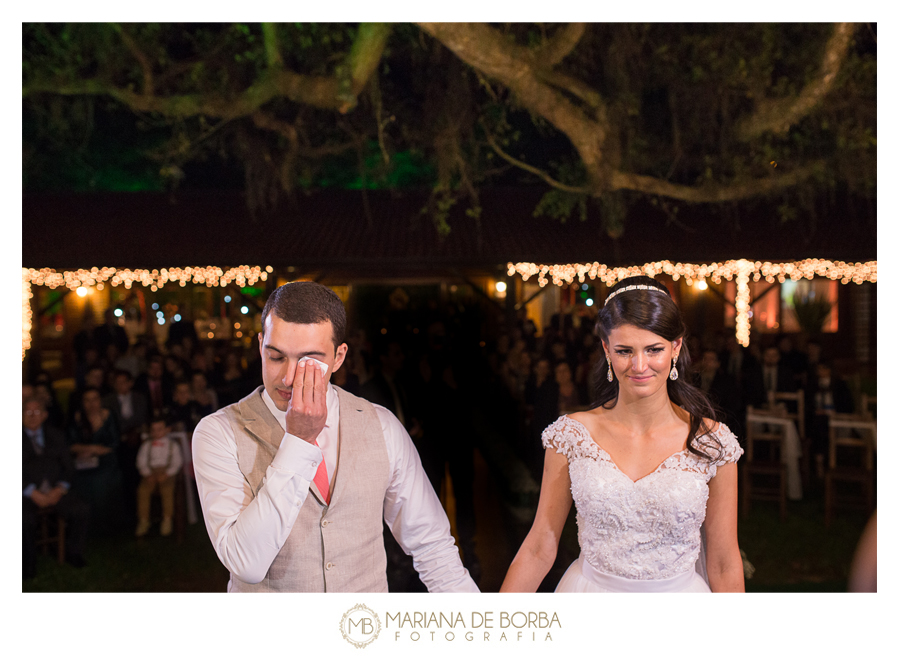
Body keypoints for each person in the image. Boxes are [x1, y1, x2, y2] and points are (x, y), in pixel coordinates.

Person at [192, 281, 478, 593]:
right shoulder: (218, 432)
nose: (288, 377)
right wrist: (298, 443)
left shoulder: (380, 424)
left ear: (338, 357)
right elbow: (246, 563)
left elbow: (432, 546)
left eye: (308, 360)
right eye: (276, 357)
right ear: (261, 345)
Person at [501, 276, 745, 593]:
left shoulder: (713, 442)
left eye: (654, 349)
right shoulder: (572, 436)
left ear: (676, 347)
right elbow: (540, 545)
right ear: (606, 349)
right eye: (625, 350)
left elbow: (724, 560)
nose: (639, 365)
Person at [23, 397, 90, 579]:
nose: (32, 416)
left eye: (36, 412)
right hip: (26, 492)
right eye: (27, 412)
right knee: (23, 519)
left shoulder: (56, 435)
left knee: (80, 509)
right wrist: (31, 492)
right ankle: (27, 563)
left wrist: (60, 489)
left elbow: (69, 467)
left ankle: (73, 552)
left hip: (55, 490)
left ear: (44, 415)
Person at [135, 414, 184, 537]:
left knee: (167, 490)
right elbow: (141, 461)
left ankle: (167, 519)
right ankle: (144, 520)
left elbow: (177, 462)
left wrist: (167, 474)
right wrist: (147, 474)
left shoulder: (173, 445)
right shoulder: (146, 446)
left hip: (167, 473)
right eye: (153, 430)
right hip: (151, 473)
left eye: (160, 429)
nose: (156, 433)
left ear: (167, 430)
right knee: (142, 491)